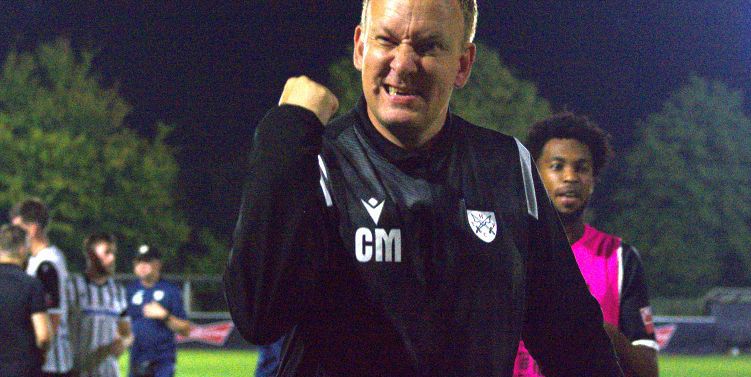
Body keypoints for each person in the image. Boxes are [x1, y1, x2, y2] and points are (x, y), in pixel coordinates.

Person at [224, 0, 622, 376]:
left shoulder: (507, 167)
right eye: (387, 40)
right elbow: (258, 314)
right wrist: (289, 125)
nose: (404, 63)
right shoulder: (316, 161)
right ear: (361, 47)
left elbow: (575, 342)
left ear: (463, 64)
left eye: (428, 46)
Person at [517, 112, 659, 377]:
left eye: (581, 168)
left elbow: (648, 370)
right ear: (535, 174)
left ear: (593, 179)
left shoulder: (619, 258)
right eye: (557, 166)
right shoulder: (505, 250)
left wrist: (598, 329)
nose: (570, 177)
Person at [11, 198, 74, 376]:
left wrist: (39, 353)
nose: (15, 235)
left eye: (18, 229)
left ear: (32, 229)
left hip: (51, 363)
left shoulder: (47, 263)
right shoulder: (37, 260)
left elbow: (53, 315)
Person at [66, 233, 133, 377]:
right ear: (91, 255)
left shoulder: (118, 291)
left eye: (113, 253)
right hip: (76, 372)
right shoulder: (72, 286)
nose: (112, 258)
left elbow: (127, 334)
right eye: (107, 252)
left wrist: (122, 343)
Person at [126, 245, 190, 377]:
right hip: (136, 359)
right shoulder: (130, 291)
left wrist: (165, 315)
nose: (142, 265)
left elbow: (185, 329)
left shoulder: (171, 291)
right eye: (138, 261)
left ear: (158, 264)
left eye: (146, 261)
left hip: (162, 361)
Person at [0, 224, 51, 377]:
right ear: (23, 249)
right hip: (23, 369)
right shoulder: (31, 285)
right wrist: (42, 354)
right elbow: (43, 336)